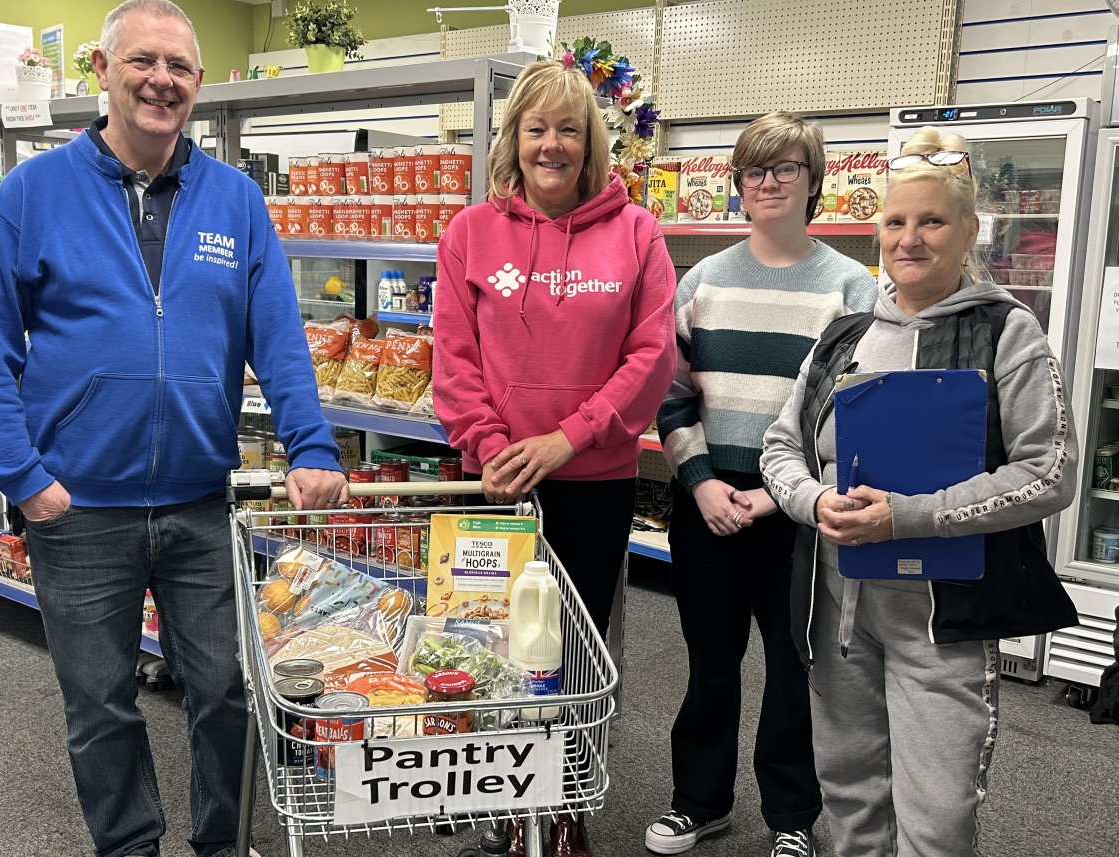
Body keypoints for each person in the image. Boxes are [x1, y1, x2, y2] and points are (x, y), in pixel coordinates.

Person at [0, 2, 348, 856]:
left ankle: (223, 842)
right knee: (100, 706)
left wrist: (312, 443)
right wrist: (20, 475)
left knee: (229, 692)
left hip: (203, 503)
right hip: (78, 509)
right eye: (143, 61)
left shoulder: (235, 201)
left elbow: (276, 336)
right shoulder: (32, 193)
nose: (161, 79)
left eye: (180, 66)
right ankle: (128, 846)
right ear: (103, 69)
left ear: (198, 85)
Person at [760, 127, 1078, 857]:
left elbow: (1051, 469)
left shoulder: (1008, 332)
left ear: (968, 230)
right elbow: (781, 446)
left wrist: (909, 517)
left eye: (932, 220)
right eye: (897, 222)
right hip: (835, 611)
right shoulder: (843, 335)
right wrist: (813, 501)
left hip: (945, 623)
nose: (911, 238)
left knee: (937, 819)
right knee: (850, 798)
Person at [432, 58, 676, 857]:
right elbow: (454, 360)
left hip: (593, 481)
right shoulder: (469, 233)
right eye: (536, 128)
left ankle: (564, 803)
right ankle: (504, 800)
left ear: (591, 141)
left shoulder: (637, 231)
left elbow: (651, 356)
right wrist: (492, 447)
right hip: (495, 482)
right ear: (514, 138)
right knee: (489, 640)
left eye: (569, 129)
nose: (552, 144)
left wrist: (571, 434)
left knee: (573, 653)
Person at [648, 111, 877, 857]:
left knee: (793, 667)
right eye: (755, 170)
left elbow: (853, 411)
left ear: (815, 181)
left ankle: (790, 819)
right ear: (738, 185)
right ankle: (699, 801)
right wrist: (701, 480)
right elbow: (672, 394)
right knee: (709, 663)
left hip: (800, 509)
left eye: (785, 169)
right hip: (707, 499)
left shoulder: (850, 287)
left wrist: (785, 493)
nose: (769, 181)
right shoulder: (702, 281)